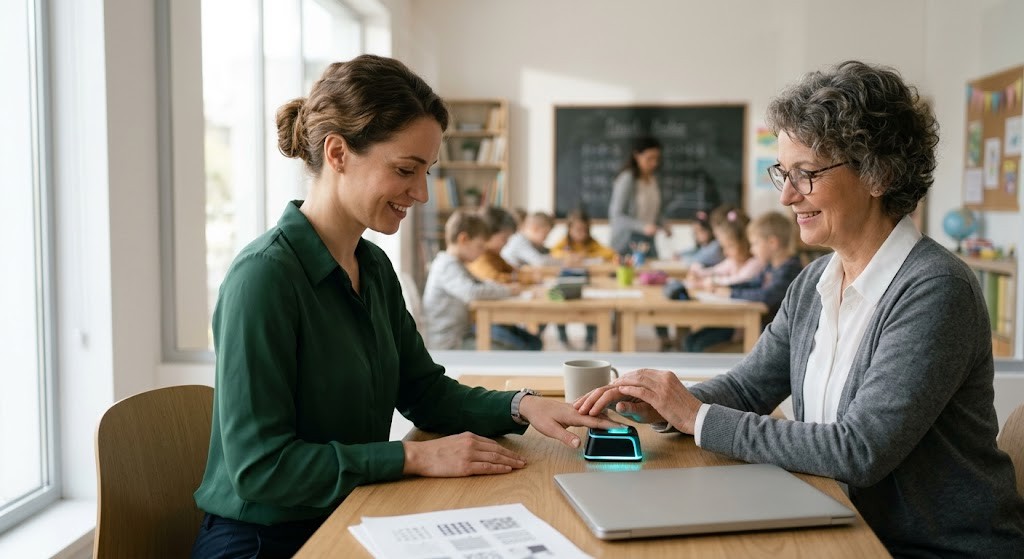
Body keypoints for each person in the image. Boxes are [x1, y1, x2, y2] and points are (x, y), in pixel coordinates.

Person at [575, 60, 1024, 557]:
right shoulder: (814, 280)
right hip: (838, 524)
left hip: (929, 549)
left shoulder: (936, 290)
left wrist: (695, 415)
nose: (787, 196)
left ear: (880, 173)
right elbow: (748, 388)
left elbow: (858, 451)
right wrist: (663, 407)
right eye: (783, 174)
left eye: (806, 174)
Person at [190, 55, 616, 558]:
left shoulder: (371, 266)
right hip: (264, 541)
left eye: (427, 171)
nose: (423, 193)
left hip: (352, 512)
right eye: (406, 170)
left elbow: (424, 392)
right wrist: (410, 458)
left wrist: (521, 405)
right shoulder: (263, 278)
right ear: (338, 153)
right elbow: (262, 469)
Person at [683, 211, 802, 352]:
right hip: (757, 326)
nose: (752, 249)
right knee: (690, 340)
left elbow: (766, 296)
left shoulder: (789, 270)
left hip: (771, 336)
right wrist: (723, 287)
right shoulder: (771, 267)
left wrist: (731, 293)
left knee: (698, 344)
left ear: (772, 243)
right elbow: (752, 283)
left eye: (755, 244)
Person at [423, 209, 539, 351]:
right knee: (520, 348)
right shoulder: (446, 266)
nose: (482, 251)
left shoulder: (457, 264)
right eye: (479, 246)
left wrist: (503, 289)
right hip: (451, 343)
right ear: (463, 239)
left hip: (462, 335)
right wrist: (507, 290)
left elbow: (480, 283)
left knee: (528, 341)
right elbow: (471, 292)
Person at [549, 209, 616, 350]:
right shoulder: (564, 242)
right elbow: (553, 252)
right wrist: (567, 256)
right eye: (577, 230)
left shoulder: (591, 243)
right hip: (565, 282)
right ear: (569, 229)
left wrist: (586, 254)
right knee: (559, 308)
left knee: (591, 308)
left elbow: (609, 253)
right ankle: (563, 338)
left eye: (584, 230)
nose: (581, 234)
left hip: (585, 282)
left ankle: (589, 339)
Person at [608, 136, 671, 259]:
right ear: (637, 156)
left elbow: (655, 211)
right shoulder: (627, 179)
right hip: (626, 242)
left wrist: (664, 224)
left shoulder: (655, 180)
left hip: (648, 241)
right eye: (649, 159)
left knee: (653, 275)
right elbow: (616, 215)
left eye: (657, 159)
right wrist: (643, 227)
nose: (654, 163)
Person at [685, 206, 762, 290]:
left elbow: (737, 281)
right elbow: (714, 271)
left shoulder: (755, 263)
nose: (725, 252)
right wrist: (697, 273)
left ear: (746, 243)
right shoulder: (732, 262)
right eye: (724, 247)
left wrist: (708, 282)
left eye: (730, 246)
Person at [467, 205, 519, 283]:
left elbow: (513, 271)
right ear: (487, 234)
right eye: (504, 238)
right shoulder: (479, 256)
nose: (506, 243)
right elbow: (493, 279)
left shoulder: (494, 255)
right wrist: (519, 277)